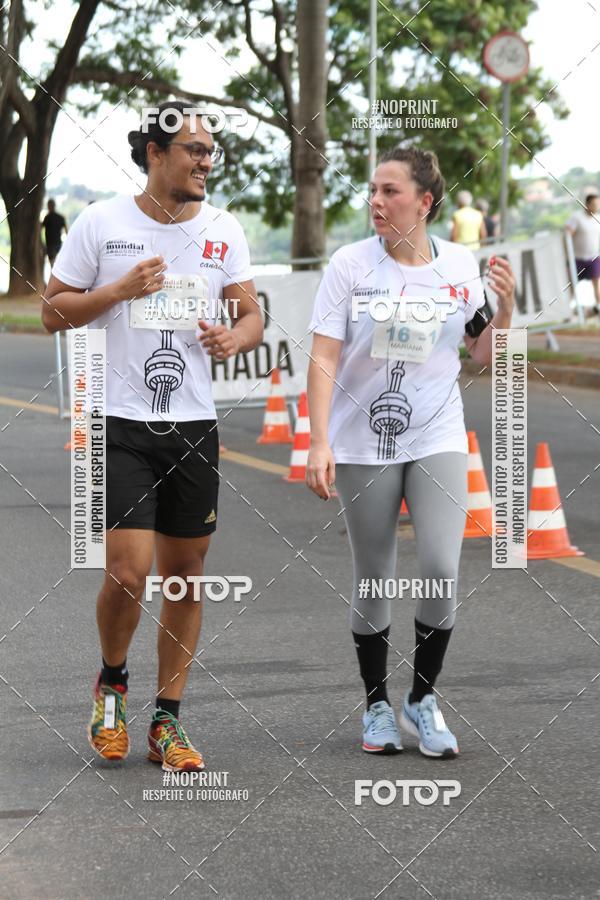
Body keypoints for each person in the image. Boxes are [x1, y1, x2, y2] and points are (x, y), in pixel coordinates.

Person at [42, 101, 264, 771]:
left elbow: (251, 313)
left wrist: (235, 336)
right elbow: (53, 310)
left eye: (209, 151)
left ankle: (167, 721)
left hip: (193, 424)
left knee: (188, 575)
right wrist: (116, 292)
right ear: (154, 154)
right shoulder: (103, 222)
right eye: (194, 149)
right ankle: (112, 682)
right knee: (128, 572)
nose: (205, 161)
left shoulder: (224, 230)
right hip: (120, 422)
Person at [306, 146, 515, 757]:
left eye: (390, 191)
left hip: (437, 432)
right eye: (373, 189)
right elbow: (323, 355)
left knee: (443, 569)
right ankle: (375, 704)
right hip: (362, 439)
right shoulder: (350, 265)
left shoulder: (460, 262)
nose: (375, 200)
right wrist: (318, 438)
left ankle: (421, 699)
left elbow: (483, 356)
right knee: (373, 577)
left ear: (425, 202)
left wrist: (504, 312)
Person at [565, 193, 600, 314]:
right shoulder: (577, 217)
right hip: (577, 258)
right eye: (595, 204)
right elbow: (567, 234)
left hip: (593, 257)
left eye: (598, 204)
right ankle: (567, 310)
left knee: (597, 282)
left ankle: (598, 306)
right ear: (587, 204)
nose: (597, 207)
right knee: (571, 284)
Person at [42, 199, 68, 265]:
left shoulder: (47, 218)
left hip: (50, 245)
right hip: (58, 245)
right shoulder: (60, 217)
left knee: (53, 265)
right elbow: (67, 231)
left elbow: (40, 229)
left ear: (48, 206)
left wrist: (41, 243)